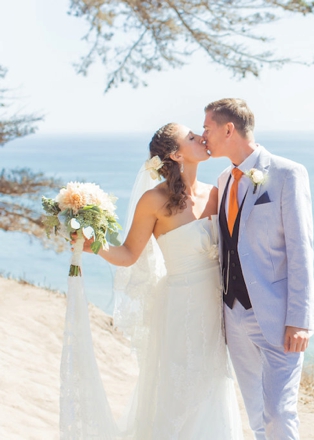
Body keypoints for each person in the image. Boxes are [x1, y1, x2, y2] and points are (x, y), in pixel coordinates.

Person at [76, 122, 243, 439]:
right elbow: (128, 254)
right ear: (177, 154)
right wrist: (95, 245)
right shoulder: (153, 200)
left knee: (215, 385)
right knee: (181, 389)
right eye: (192, 137)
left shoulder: (217, 193)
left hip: (218, 308)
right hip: (182, 308)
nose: (202, 138)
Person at [202, 98, 314, 440]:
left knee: (279, 416)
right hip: (233, 315)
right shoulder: (224, 180)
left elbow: (301, 249)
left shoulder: (287, 173)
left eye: (208, 128)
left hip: (278, 316)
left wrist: (300, 319)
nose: (203, 135)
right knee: (256, 415)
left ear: (228, 129)